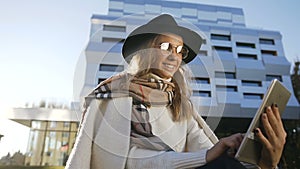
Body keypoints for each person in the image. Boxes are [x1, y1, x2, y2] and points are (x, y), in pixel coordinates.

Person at [66, 14, 286, 169]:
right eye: (165, 47)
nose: (174, 56)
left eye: (180, 50)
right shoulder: (116, 96)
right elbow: (126, 159)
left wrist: (261, 160)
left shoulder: (179, 104)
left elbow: (207, 150)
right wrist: (206, 156)